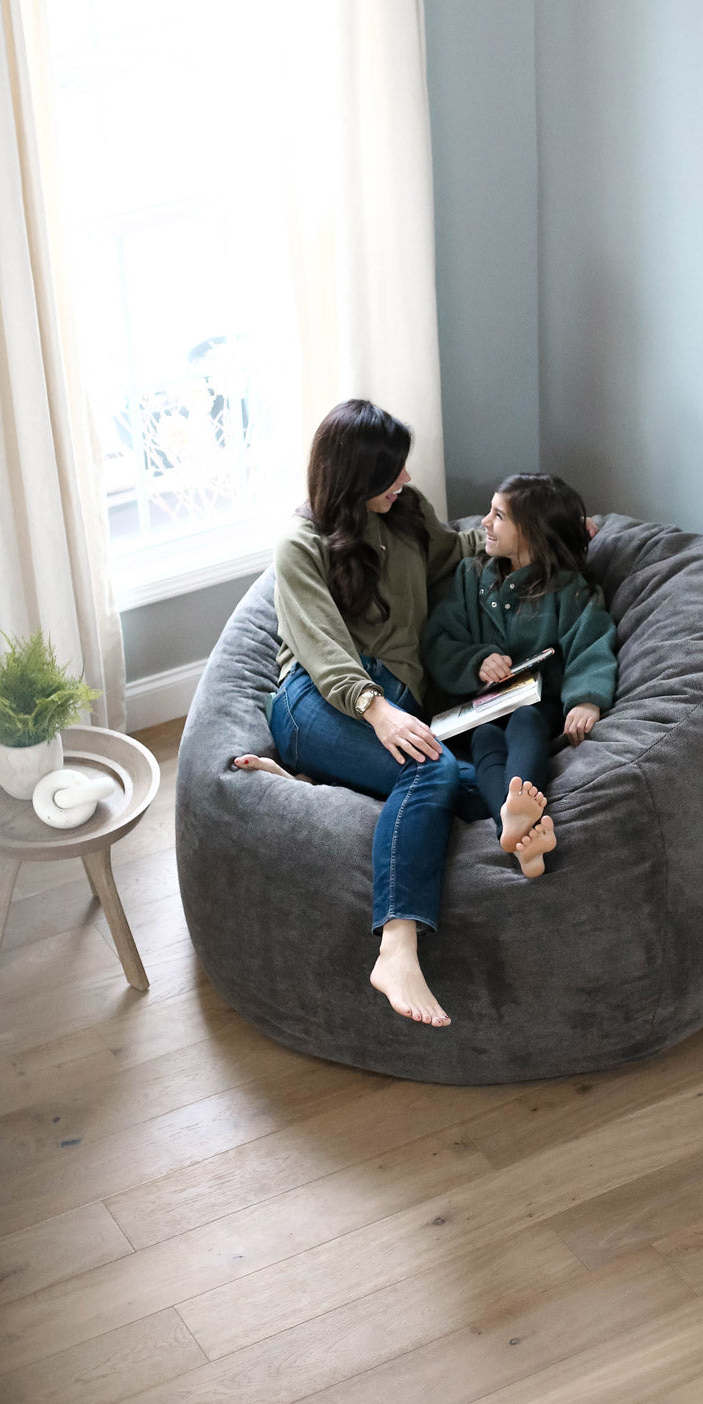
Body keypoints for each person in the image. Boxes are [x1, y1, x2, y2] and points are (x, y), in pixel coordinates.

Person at [233, 398, 485, 1029]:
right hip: (317, 698)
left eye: (402, 470)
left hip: (387, 702)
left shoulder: (405, 513)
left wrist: (537, 535)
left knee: (471, 785)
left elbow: (456, 552)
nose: (403, 480)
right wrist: (379, 713)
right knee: (430, 773)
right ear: (351, 478)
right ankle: (397, 946)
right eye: (389, 473)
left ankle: (314, 784)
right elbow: (324, 652)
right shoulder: (300, 545)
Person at [422, 473, 617, 878]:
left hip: (537, 706)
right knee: (485, 738)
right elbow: (439, 640)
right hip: (481, 710)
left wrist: (586, 699)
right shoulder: (471, 577)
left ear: (533, 532)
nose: (483, 523)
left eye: (498, 516)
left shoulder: (571, 592)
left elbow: (591, 644)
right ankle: (519, 830)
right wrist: (476, 660)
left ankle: (514, 824)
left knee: (527, 719)